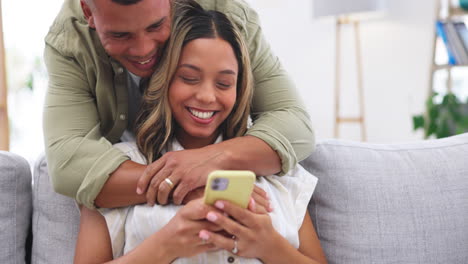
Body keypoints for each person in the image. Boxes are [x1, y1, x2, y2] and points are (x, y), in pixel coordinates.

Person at [74, 1, 326, 263]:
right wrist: (166, 244)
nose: (207, 96)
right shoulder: (119, 171)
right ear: (164, 79)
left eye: (224, 83)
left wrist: (270, 246)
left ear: (239, 89)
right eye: (189, 78)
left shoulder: (279, 172)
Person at [43, 0, 315, 210]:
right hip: (126, 174)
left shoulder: (224, 11)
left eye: (155, 26)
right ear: (88, 12)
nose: (143, 49)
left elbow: (294, 122)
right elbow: (67, 162)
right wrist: (189, 185)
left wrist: (209, 161)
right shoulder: (69, 38)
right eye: (121, 35)